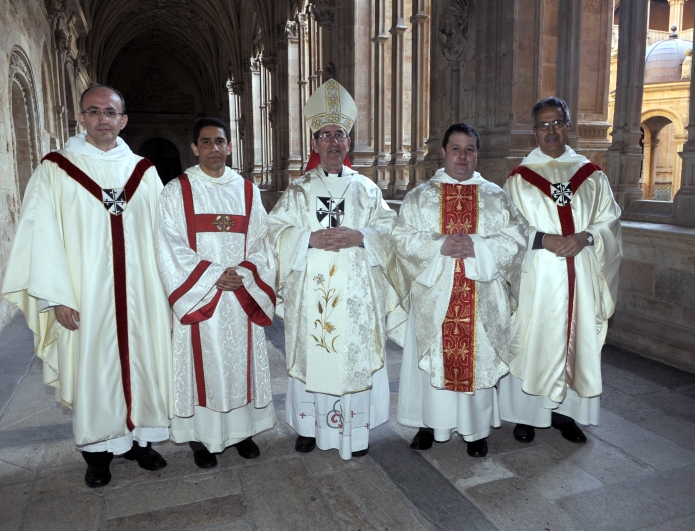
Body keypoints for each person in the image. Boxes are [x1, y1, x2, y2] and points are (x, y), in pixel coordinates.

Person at [2, 85, 173, 488]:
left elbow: (167, 234)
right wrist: (56, 295)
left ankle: (140, 442)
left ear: (123, 120)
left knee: (144, 363)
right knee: (94, 369)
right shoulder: (55, 169)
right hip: (86, 295)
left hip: (142, 296)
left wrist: (170, 291)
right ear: (80, 118)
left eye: (110, 112)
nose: (102, 120)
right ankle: (96, 454)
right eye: (93, 112)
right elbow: (42, 236)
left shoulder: (144, 173)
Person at [267, 79, 400, 460]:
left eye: (339, 134)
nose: (333, 142)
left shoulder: (367, 190)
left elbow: (390, 230)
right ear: (315, 145)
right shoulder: (299, 190)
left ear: (348, 143)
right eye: (325, 135)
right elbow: (274, 232)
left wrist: (362, 235)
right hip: (312, 297)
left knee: (351, 359)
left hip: (356, 300)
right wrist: (308, 238)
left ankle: (354, 434)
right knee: (314, 355)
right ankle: (310, 427)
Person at [393, 123, 529, 457]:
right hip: (434, 298)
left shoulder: (496, 198)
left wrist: (477, 246)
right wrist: (440, 245)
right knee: (434, 360)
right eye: (456, 148)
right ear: (443, 152)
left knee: (477, 361)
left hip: (481, 299)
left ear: (478, 154)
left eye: (470, 149)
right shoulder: (420, 197)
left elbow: (517, 240)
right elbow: (400, 239)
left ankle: (475, 431)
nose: (463, 156)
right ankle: (430, 424)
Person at [154, 117, 276, 467]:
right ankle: (201, 438)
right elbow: (168, 244)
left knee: (240, 364)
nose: (213, 149)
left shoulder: (247, 191)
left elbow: (262, 242)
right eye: (205, 142)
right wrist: (210, 276)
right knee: (202, 366)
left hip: (239, 294)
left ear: (230, 146)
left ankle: (243, 432)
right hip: (200, 297)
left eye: (220, 141)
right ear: (194, 148)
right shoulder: (176, 190)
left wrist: (244, 273)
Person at [500, 96, 623, 444]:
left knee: (576, 339)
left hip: (581, 275)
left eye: (557, 123)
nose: (550, 130)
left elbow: (610, 220)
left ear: (569, 127)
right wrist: (543, 239)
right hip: (537, 276)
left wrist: (587, 236)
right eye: (543, 125)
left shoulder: (592, 175)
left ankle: (567, 415)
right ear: (534, 132)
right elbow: (507, 230)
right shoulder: (519, 180)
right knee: (533, 341)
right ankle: (526, 415)